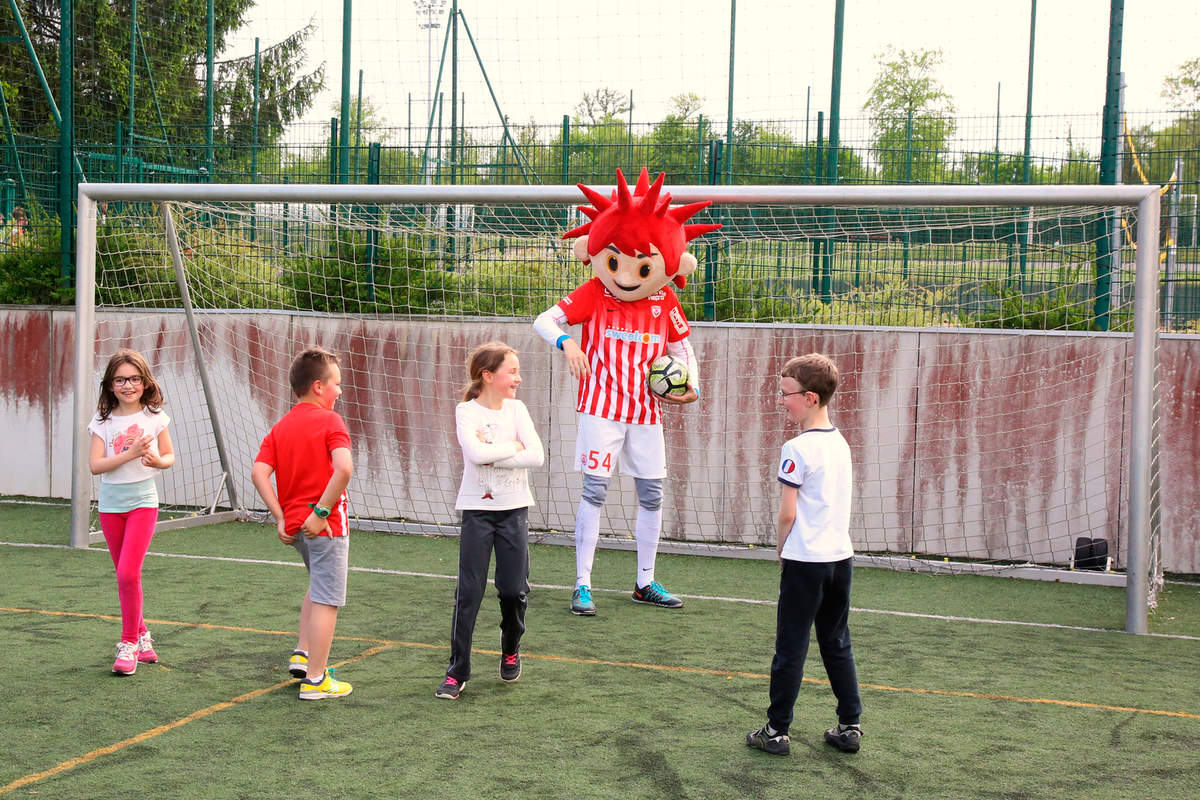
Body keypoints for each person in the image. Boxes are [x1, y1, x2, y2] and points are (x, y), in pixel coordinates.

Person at [533, 168, 720, 615]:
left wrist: (691, 386)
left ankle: (645, 582)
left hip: (646, 414)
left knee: (652, 494)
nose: (626, 275)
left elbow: (683, 349)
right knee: (595, 492)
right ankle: (582, 584)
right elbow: (542, 321)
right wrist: (567, 341)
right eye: (616, 262)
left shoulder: (665, 302)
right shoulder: (594, 292)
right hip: (601, 410)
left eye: (641, 265)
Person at [746, 353, 864, 757]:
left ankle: (776, 731)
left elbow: (788, 511)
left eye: (786, 394)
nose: (781, 400)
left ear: (811, 398)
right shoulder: (841, 443)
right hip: (840, 560)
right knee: (836, 641)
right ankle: (850, 726)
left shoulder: (796, 448)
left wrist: (782, 546)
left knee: (791, 646)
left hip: (805, 561)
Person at [436, 341, 545, 700]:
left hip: (514, 512)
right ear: (488, 375)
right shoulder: (465, 412)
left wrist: (496, 456)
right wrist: (512, 449)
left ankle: (510, 647)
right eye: (512, 371)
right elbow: (475, 453)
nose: (518, 378)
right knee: (468, 593)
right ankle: (457, 671)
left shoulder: (518, 410)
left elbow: (537, 456)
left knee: (514, 591)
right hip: (477, 513)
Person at [251, 347, 355, 700]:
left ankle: (302, 652)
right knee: (328, 599)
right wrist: (321, 512)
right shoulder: (331, 421)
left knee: (318, 585)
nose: (340, 391)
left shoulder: (282, 426)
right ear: (318, 387)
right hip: (325, 526)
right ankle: (316, 680)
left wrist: (280, 516)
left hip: (295, 527)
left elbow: (258, 472)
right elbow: (344, 469)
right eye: (336, 384)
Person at [88, 349, 175, 675]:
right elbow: (96, 465)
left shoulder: (155, 418)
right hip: (111, 506)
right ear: (111, 384)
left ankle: (128, 644)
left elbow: (169, 456)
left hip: (143, 503)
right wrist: (132, 453)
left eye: (134, 379)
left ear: (144, 382)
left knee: (127, 573)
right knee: (126, 576)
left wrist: (155, 460)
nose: (128, 385)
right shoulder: (102, 421)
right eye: (121, 379)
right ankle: (143, 636)